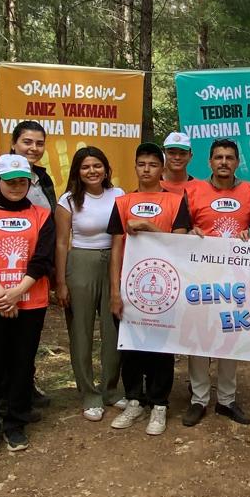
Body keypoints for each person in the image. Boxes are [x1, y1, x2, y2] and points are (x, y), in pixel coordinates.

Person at [0, 155, 56, 454]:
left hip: (30, 301)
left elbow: (43, 259)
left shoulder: (42, 216)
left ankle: (16, 423)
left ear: (29, 183)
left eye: (22, 181)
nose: (16, 186)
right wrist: (2, 293)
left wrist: (17, 292)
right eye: (10, 181)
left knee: (21, 365)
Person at [108, 143, 193, 435]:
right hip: (130, 287)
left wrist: (146, 225)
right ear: (135, 167)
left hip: (166, 286)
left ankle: (159, 404)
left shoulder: (177, 200)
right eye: (141, 164)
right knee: (130, 346)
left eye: (153, 164)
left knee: (161, 347)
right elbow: (116, 247)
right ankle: (134, 400)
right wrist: (114, 291)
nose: (147, 169)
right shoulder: (122, 202)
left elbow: (179, 242)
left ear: (162, 168)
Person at [182, 138, 250, 426]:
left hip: (236, 280)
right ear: (209, 162)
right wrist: (190, 232)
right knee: (199, 336)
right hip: (200, 277)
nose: (224, 162)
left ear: (237, 162)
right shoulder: (192, 191)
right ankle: (198, 398)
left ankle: (227, 400)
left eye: (229, 157)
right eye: (218, 157)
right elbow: (180, 229)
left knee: (230, 334)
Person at [54, 146, 125, 420]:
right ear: (77, 172)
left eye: (97, 166)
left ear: (106, 169)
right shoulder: (68, 201)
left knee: (114, 327)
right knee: (81, 330)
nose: (92, 171)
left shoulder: (119, 195)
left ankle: (109, 388)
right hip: (81, 263)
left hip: (114, 262)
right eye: (85, 167)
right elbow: (61, 243)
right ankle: (88, 392)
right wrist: (61, 282)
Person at [0, 121, 58, 209]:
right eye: (27, 142)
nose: (34, 148)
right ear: (13, 144)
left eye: (40, 144)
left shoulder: (44, 177)